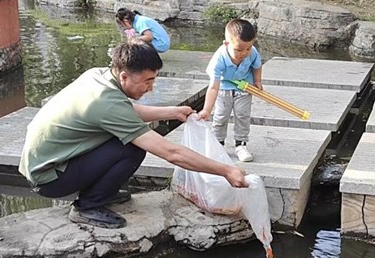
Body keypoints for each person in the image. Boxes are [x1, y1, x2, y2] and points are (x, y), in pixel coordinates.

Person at [19, 41, 247, 229]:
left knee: (127, 139)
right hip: (50, 178)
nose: (151, 88)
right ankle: (87, 207)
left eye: (153, 80)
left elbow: (124, 112)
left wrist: (172, 112)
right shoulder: (105, 102)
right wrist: (225, 170)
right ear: (125, 76)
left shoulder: (98, 75)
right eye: (147, 81)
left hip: (47, 164)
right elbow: (171, 153)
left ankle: (100, 193)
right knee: (135, 147)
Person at [198, 19, 262, 163]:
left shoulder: (252, 52)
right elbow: (213, 87)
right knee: (220, 117)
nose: (244, 53)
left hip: (244, 88)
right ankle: (218, 145)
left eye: (248, 48)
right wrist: (207, 110)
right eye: (239, 49)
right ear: (226, 44)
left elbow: (257, 65)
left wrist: (257, 81)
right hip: (223, 89)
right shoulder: (218, 60)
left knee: (242, 116)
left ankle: (241, 145)